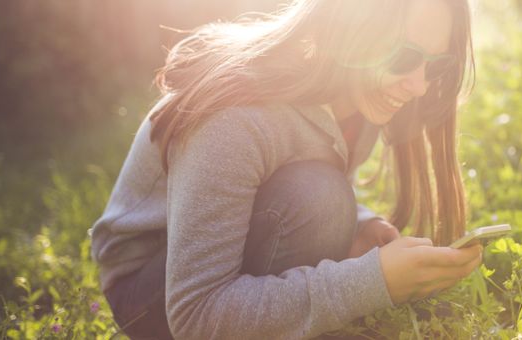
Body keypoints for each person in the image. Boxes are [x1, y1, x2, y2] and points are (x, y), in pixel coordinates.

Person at [89, 0, 481, 338]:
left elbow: (291, 177)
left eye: (435, 65)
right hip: (150, 292)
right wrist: (373, 282)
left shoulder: (361, 97)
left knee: (328, 199)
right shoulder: (236, 119)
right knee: (322, 199)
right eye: (403, 57)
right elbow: (195, 316)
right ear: (351, 33)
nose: (419, 86)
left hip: (219, 259)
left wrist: (359, 223)